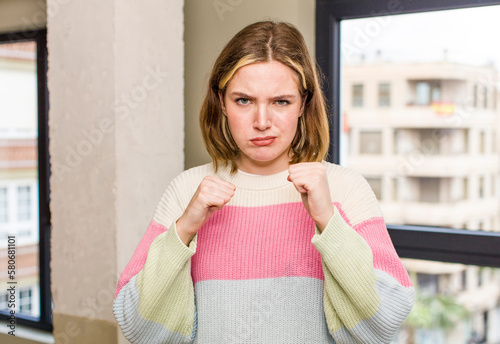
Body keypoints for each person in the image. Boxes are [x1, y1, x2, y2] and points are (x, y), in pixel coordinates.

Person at [113, 20, 414, 344]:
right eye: (244, 100)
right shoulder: (187, 190)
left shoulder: (345, 189)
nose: (261, 122)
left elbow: (384, 324)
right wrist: (185, 229)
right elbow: (137, 327)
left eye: (280, 102)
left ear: (303, 104)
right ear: (222, 102)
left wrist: (329, 221)